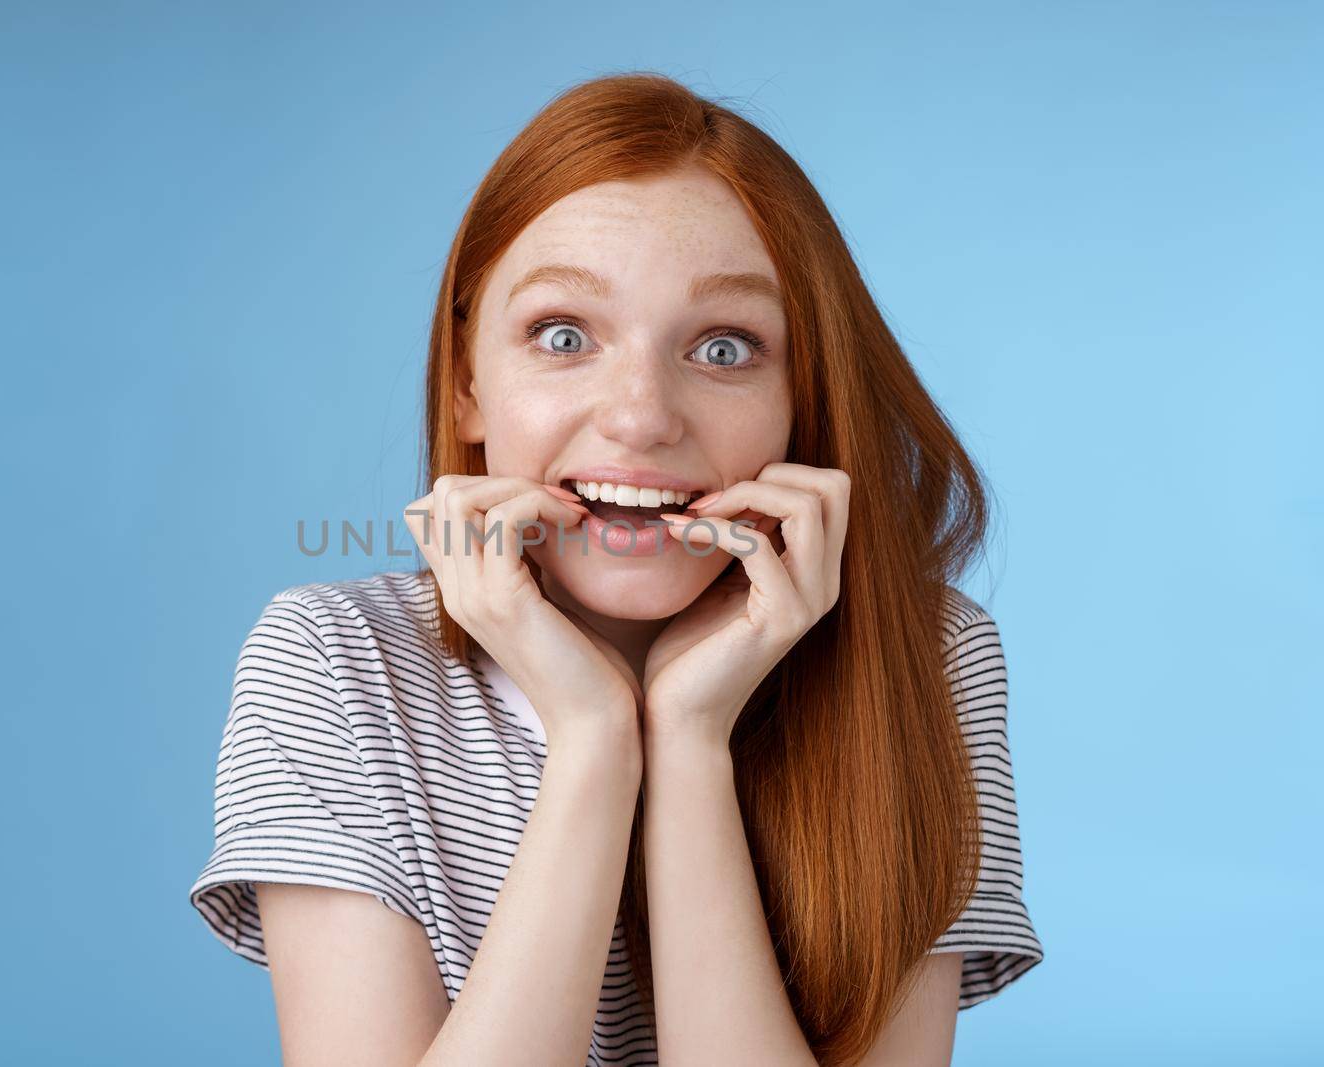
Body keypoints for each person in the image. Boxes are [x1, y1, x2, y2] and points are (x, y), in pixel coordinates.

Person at [189, 72, 1042, 1066]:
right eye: (563, 336)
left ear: (799, 401)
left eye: (724, 347)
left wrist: (688, 740)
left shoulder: (925, 659)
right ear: (468, 383)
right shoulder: (335, 663)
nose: (641, 414)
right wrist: (594, 739)